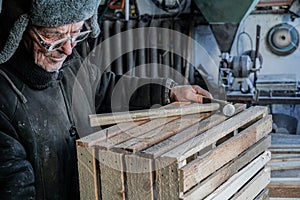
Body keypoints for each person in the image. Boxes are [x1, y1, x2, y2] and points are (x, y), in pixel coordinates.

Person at [0, 0, 212, 199]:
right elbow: (15, 189)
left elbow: (108, 87)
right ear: (20, 29)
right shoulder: (4, 99)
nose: (68, 49)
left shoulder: (71, 66)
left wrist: (169, 92)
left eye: (75, 34)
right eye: (55, 35)